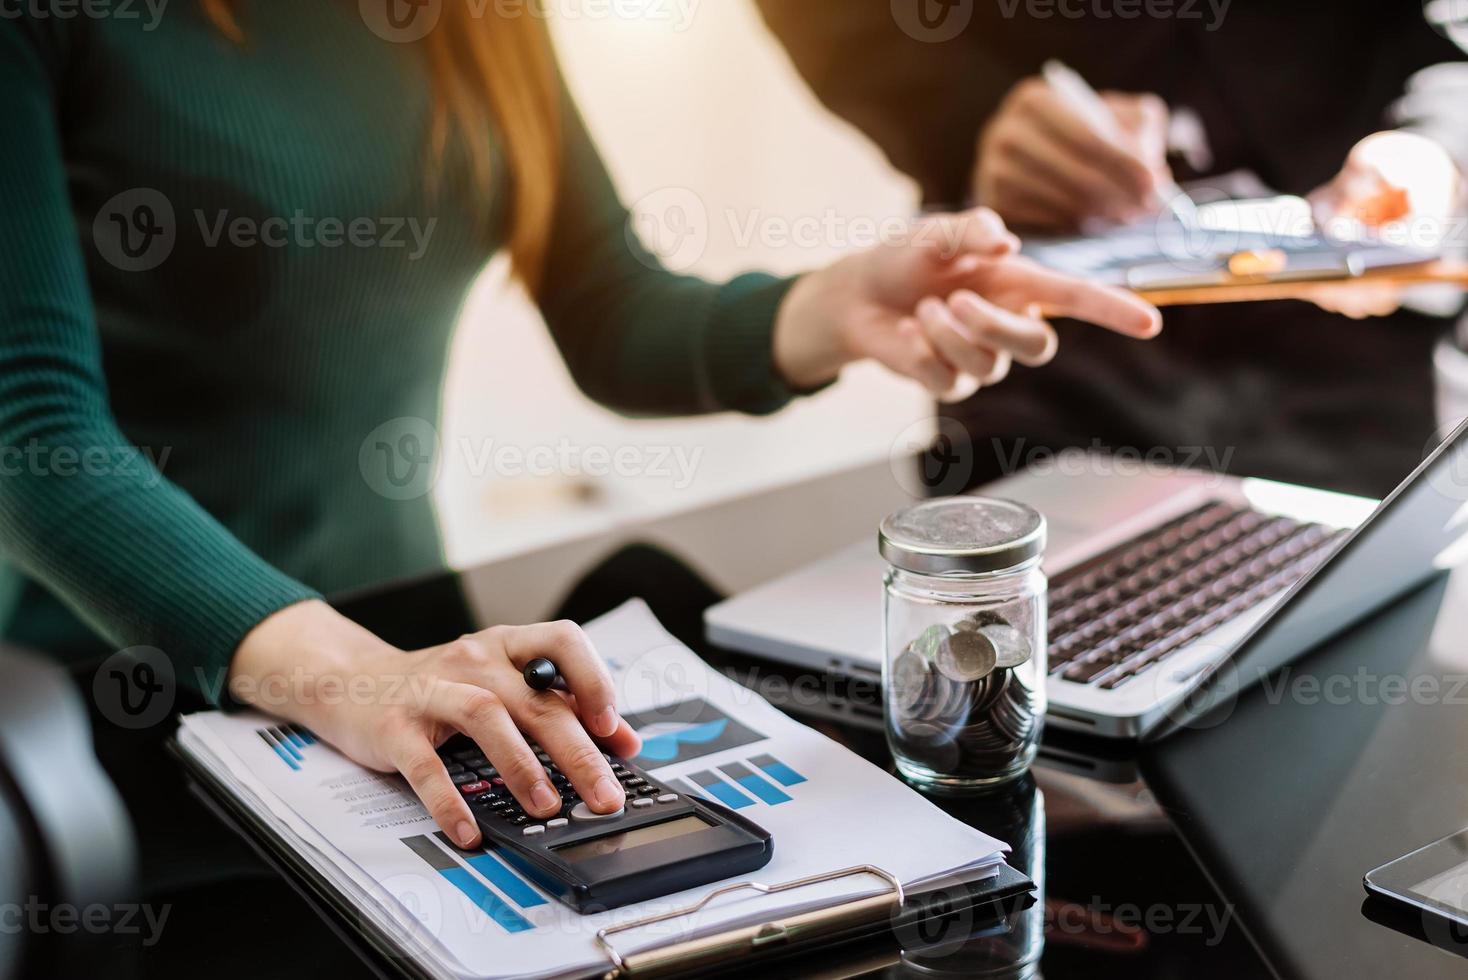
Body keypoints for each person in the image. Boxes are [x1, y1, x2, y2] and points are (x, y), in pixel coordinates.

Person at [0, 3, 1160, 847]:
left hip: (414, 654)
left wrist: (831, 308)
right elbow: (31, 433)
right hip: (107, 707)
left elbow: (610, 310)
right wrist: (347, 675)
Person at [757, 0, 1468, 497]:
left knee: (1364, 660)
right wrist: (965, 119)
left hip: (1369, 334)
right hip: (1051, 328)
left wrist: (1443, 148)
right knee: (1046, 659)